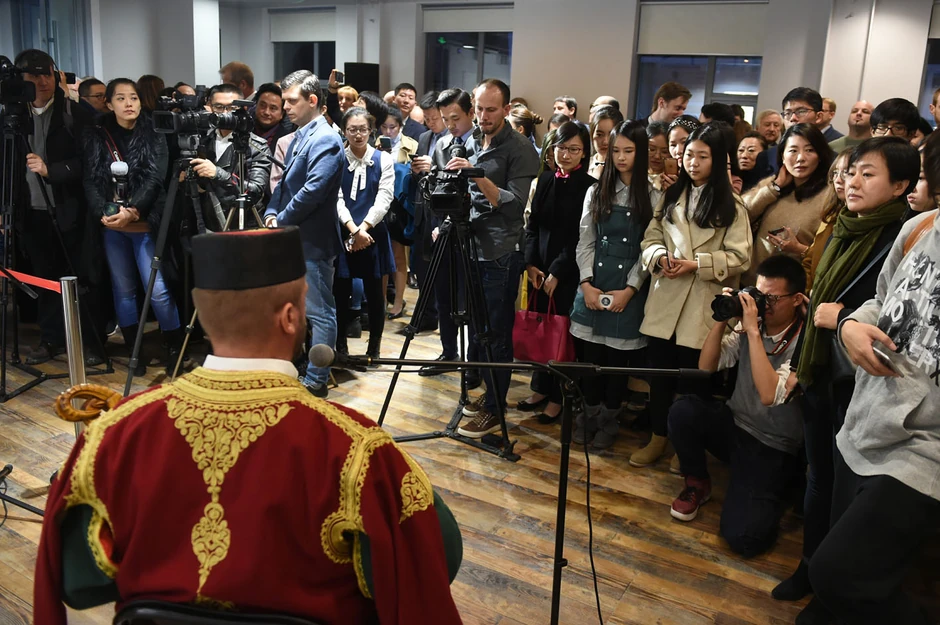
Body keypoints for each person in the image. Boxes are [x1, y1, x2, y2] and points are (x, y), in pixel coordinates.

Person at [32, 226, 464, 625]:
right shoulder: (357, 451)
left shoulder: (115, 434)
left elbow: (79, 582)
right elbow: (437, 559)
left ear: (205, 315)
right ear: (290, 317)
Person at [779, 137, 919, 623]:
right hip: (823, 369)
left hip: (864, 380)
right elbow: (818, 299)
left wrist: (838, 319)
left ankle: (830, 585)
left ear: (900, 186)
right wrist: (801, 365)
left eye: (868, 174)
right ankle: (810, 566)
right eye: (851, 171)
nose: (852, 182)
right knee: (820, 476)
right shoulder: (842, 224)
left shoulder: (902, 236)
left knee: (847, 485)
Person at [667, 256, 806, 552]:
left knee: (745, 539)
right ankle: (698, 482)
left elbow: (770, 395)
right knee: (683, 410)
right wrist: (723, 317)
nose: (762, 305)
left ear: (796, 299)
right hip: (735, 424)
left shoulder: (805, 341)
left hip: (773, 443)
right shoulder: (751, 326)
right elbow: (707, 366)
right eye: (759, 295)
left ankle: (779, 489)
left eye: (772, 298)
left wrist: (753, 331)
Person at [636, 123, 752, 468]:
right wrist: (659, 256)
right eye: (689, 154)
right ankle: (658, 436)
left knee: (695, 381)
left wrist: (696, 264)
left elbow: (741, 257)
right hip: (666, 298)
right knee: (659, 376)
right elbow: (650, 237)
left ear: (718, 160)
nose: (693, 162)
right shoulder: (672, 194)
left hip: (701, 303)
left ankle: (686, 444)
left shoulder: (732, 205)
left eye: (703, 156)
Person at [442, 79, 540, 438]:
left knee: (497, 334)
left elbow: (514, 205)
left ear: (507, 109)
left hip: (501, 251)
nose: (483, 116)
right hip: (470, 246)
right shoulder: (470, 140)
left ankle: (496, 408)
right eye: (479, 109)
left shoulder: (521, 149)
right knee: (477, 330)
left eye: (491, 110)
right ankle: (487, 395)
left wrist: (477, 175)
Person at [4, 49, 101, 365]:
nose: (42, 81)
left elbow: (91, 164)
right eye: (33, 75)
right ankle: (51, 339)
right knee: (45, 278)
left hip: (72, 209)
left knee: (82, 276)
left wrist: (52, 170)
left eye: (47, 73)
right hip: (30, 211)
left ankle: (92, 341)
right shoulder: (12, 118)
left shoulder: (76, 114)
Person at [81, 78, 182, 375]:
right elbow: (90, 179)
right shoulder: (96, 134)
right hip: (112, 224)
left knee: (158, 289)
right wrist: (103, 212)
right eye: (121, 98)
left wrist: (134, 210)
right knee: (123, 289)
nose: (129, 104)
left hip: (145, 222)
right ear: (108, 103)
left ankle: (174, 346)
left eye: (134, 98)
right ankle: (134, 350)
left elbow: (155, 178)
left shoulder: (154, 131)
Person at [569, 120, 660, 450]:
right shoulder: (596, 190)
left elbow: (650, 248)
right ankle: (587, 415)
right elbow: (585, 241)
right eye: (616, 150)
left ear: (641, 152)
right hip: (594, 282)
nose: (621, 157)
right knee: (589, 360)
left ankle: (609, 420)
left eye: (629, 151)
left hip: (628, 288)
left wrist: (631, 289)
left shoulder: (654, 194)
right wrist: (586, 283)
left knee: (617, 366)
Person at [264, 70, 345, 399]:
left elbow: (313, 192)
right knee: (300, 310)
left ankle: (316, 380)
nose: (285, 108)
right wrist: (271, 212)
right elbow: (283, 184)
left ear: (313, 100)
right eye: (284, 101)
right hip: (294, 237)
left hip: (312, 241)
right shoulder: (300, 134)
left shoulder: (326, 137)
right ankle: (303, 369)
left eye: (291, 101)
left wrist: (280, 220)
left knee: (320, 313)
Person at [521, 121, 594, 424]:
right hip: (539, 269)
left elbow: (580, 236)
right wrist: (531, 265)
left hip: (568, 271)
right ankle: (539, 388)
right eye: (561, 147)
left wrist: (557, 272)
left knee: (561, 336)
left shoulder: (590, 186)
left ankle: (558, 397)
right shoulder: (545, 179)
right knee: (541, 329)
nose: (565, 154)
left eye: (573, 149)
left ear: (584, 152)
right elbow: (532, 226)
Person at [413, 88, 479, 379]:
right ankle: (448, 351)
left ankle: (475, 362)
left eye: (455, 118)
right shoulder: (441, 144)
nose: (451, 125)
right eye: (445, 119)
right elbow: (439, 190)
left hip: (475, 233)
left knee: (472, 299)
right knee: (443, 294)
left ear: (470, 113)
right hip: (444, 229)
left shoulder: (481, 143)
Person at [334, 107, 395, 361]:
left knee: (375, 293)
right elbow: (336, 198)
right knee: (340, 293)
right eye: (352, 130)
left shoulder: (383, 159)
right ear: (344, 131)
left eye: (362, 129)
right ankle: (341, 348)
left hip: (373, 233)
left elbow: (385, 197)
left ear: (371, 131)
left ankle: (374, 349)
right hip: (344, 232)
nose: (358, 135)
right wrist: (352, 229)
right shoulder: (337, 158)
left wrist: (364, 229)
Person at [741, 124, 834, 286]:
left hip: (792, 289)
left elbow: (830, 254)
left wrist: (799, 249)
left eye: (809, 150)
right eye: (793, 150)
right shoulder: (774, 183)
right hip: (753, 282)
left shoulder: (830, 195)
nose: (801, 158)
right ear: (782, 156)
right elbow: (740, 214)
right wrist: (775, 187)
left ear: (820, 155)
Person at [192, 84, 272, 231]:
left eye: (231, 108)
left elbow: (256, 191)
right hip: (208, 225)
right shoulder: (201, 142)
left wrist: (217, 173)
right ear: (210, 108)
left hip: (245, 225)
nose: (225, 113)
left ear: (243, 109)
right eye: (219, 107)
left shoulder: (256, 146)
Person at [379, 105, 418, 320]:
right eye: (384, 127)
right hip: (379, 204)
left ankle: (398, 301)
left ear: (400, 126)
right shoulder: (374, 144)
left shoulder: (411, 145)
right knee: (382, 257)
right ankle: (381, 300)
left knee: (398, 256)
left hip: (399, 206)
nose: (388, 131)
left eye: (392, 127)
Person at [803, 149, 852, 292]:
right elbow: (809, 260)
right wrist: (806, 294)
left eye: (846, 172)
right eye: (835, 172)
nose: (838, 180)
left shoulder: (859, 221)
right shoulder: (830, 215)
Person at [253, 82, 295, 153]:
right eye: (262, 105)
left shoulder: (288, 140)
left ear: (282, 113)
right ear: (256, 105)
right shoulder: (245, 131)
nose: (266, 112)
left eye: (273, 108)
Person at [588, 105, 624, 178]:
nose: (605, 142)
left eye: (611, 135)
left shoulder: (625, 168)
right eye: (599, 135)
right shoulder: (585, 164)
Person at [646, 121, 673, 192]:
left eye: (664, 152)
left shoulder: (674, 181)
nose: (657, 156)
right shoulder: (633, 175)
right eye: (652, 149)